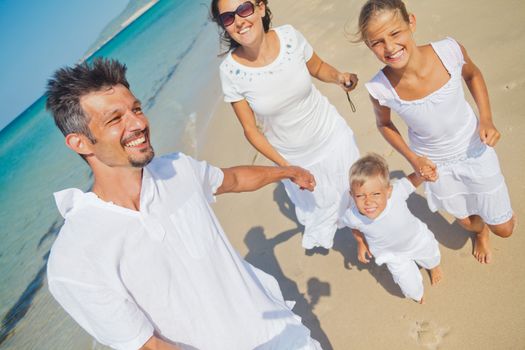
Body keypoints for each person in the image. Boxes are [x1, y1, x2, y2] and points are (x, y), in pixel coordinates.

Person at [45, 58, 323, 350]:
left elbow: (233, 180)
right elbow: (147, 346)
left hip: (284, 335)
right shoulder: (74, 259)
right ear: (80, 143)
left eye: (136, 109)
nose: (138, 123)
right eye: (115, 119)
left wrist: (287, 172)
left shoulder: (178, 169)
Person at [356, 0, 515, 264]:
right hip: (435, 164)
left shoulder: (449, 51)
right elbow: (385, 124)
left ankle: (491, 224)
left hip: (473, 148)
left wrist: (486, 119)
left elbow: (473, 75)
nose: (390, 47)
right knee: (467, 222)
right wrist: (413, 159)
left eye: (395, 33)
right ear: (369, 46)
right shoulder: (380, 88)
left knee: (505, 229)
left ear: (411, 23)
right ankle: (480, 231)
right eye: (378, 42)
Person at [211, 0, 361, 250]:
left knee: (358, 190)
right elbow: (250, 131)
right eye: (227, 18)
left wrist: (340, 77)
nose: (238, 21)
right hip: (294, 156)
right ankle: (359, 236)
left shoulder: (290, 37)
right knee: (327, 205)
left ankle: (368, 236)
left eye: (244, 9)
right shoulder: (230, 71)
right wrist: (288, 168)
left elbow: (319, 67)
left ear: (260, 8)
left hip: (331, 135)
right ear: (224, 26)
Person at [342, 153, 442, 303]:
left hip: (416, 239)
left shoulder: (396, 194)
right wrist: (361, 243)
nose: (368, 201)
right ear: (352, 195)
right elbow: (353, 227)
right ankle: (417, 294)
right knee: (410, 288)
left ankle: (433, 267)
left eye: (375, 194)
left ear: (388, 191)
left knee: (431, 257)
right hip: (392, 255)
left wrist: (422, 174)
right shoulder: (352, 215)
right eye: (360, 196)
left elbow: (411, 182)